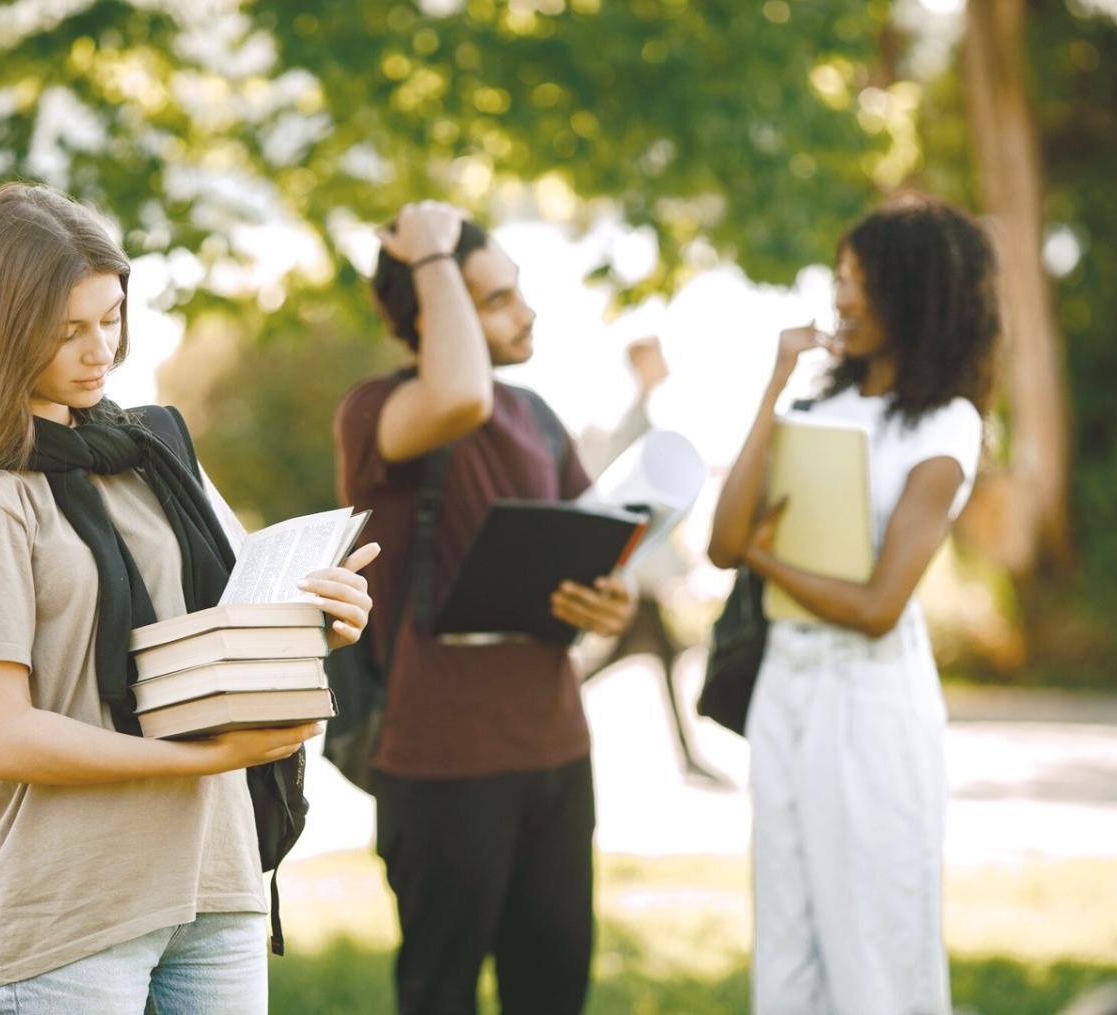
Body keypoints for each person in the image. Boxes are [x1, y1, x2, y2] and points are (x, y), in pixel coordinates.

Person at [0, 182, 377, 1013]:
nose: (99, 349)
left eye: (110, 318)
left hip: (215, 883)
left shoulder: (153, 450)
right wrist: (200, 758)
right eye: (66, 331)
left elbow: (232, 627)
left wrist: (325, 621)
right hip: (72, 911)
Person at [334, 200, 635, 1015]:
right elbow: (459, 394)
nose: (526, 311)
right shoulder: (378, 412)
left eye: (516, 291)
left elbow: (606, 540)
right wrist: (432, 251)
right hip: (440, 765)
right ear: (437, 308)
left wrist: (611, 599)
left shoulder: (535, 415)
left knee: (552, 994)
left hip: (555, 753)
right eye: (494, 299)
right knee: (440, 997)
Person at [707, 194, 999, 1014]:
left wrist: (767, 553)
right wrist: (774, 382)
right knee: (787, 931)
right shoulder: (816, 406)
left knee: (874, 934)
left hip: (869, 698)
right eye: (839, 275)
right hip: (785, 690)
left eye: (861, 279)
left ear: (915, 292)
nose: (842, 296)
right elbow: (722, 540)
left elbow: (877, 605)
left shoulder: (944, 427)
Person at [577, 335, 728, 785]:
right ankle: (688, 756)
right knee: (653, 657)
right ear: (640, 362)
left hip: (640, 575)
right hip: (635, 575)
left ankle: (688, 755)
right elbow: (633, 503)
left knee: (655, 657)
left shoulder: (641, 419)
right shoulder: (631, 424)